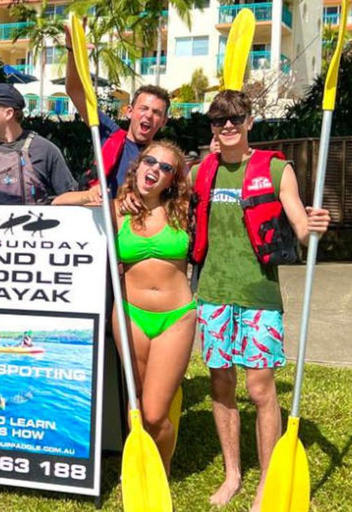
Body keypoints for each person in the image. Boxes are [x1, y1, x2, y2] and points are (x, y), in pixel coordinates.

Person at [190, 90, 331, 510]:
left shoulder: (275, 169)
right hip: (213, 293)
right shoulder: (202, 171)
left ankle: (267, 479)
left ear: (251, 121)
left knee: (259, 388)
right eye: (219, 120)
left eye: (236, 118)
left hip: (259, 296)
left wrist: (314, 225)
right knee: (221, 383)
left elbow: (300, 228)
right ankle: (232, 473)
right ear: (212, 127)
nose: (228, 126)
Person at [113, 141, 195, 474]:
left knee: (155, 413)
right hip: (130, 316)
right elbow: (63, 200)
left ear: (173, 179)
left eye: (166, 168)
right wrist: (113, 197)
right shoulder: (118, 208)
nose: (155, 170)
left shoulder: (184, 207)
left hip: (175, 318)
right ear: (138, 165)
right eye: (150, 161)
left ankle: (162, 468)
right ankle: (140, 470)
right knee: (137, 408)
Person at [61, 23, 170, 203]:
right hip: (103, 223)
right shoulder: (109, 134)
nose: (149, 115)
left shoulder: (163, 159)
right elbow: (75, 91)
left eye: (156, 112)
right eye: (143, 108)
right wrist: (73, 51)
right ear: (129, 111)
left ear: (163, 121)